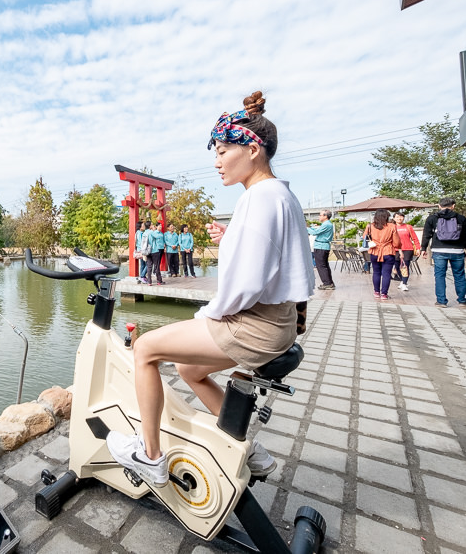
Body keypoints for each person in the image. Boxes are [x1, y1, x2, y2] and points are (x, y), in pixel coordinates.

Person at [106, 91, 314, 487]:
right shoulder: (279, 193)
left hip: (251, 325)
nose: (216, 161)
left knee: (146, 348)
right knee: (189, 369)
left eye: (222, 150)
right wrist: (232, 237)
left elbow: (244, 286)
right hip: (279, 322)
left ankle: (149, 456)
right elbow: (274, 257)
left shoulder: (258, 199)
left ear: (252, 149)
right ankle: (247, 450)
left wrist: (205, 314)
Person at [420, 197, 466, 308]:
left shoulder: (432, 218)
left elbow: (426, 235)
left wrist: (423, 249)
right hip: (457, 251)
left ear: (439, 206)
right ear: (453, 206)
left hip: (439, 250)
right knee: (459, 275)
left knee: (439, 276)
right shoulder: (462, 218)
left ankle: (441, 301)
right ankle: (462, 300)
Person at [365, 209, 401, 301]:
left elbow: (364, 238)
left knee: (376, 272)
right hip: (388, 252)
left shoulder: (370, 226)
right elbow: (397, 243)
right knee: (386, 274)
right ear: (386, 217)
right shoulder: (392, 226)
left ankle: (376, 292)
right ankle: (384, 294)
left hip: (374, 251)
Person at [307, 210, 335, 290]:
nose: (319, 216)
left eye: (320, 215)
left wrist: (306, 228)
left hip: (321, 247)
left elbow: (315, 232)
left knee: (321, 266)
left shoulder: (326, 224)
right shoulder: (327, 224)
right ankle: (329, 282)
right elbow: (317, 230)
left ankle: (327, 283)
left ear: (325, 216)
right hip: (322, 246)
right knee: (325, 265)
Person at [392, 212, 420, 291]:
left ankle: (404, 283)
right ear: (394, 218)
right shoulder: (392, 227)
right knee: (397, 267)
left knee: (405, 266)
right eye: (397, 217)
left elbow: (414, 238)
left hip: (407, 249)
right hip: (395, 250)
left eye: (401, 217)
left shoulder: (408, 227)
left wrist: (418, 248)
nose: (399, 218)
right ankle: (402, 280)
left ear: (403, 218)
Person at [144, 220, 165, 285]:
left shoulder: (144, 233)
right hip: (154, 250)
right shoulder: (152, 232)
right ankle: (159, 281)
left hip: (147, 251)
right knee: (157, 266)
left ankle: (149, 281)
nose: (153, 226)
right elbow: (158, 236)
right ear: (150, 226)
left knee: (149, 266)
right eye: (152, 225)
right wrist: (154, 230)